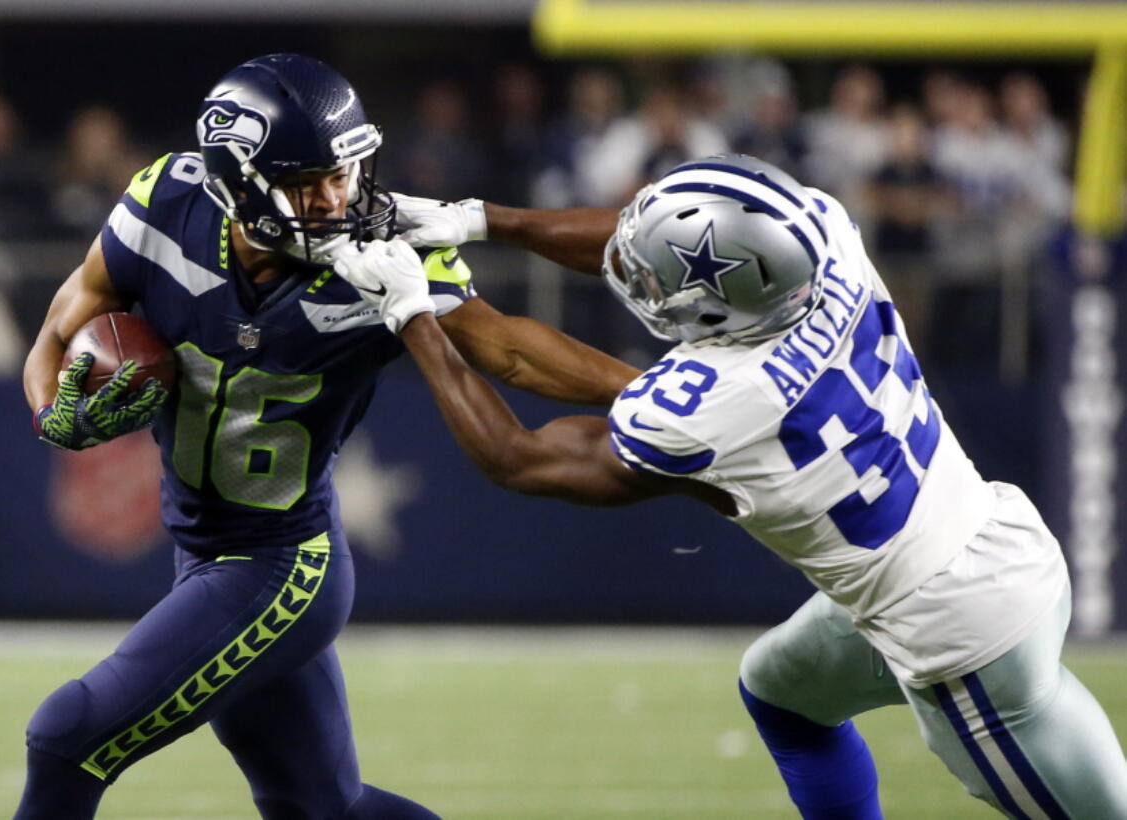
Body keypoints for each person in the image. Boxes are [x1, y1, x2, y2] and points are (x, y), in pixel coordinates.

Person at [341, 155, 1127, 819]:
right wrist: (477, 221)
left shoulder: (719, 407)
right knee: (783, 692)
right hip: (991, 532)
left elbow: (517, 455)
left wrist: (414, 314)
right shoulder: (824, 237)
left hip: (959, 630)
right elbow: (640, 245)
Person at [17, 53, 637, 819]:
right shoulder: (164, 204)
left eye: (342, 174)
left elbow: (510, 348)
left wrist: (644, 389)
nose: (337, 198)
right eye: (309, 184)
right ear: (238, 186)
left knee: (67, 734)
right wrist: (53, 413)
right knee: (319, 808)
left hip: (281, 564)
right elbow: (59, 324)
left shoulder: (380, 257)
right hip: (203, 554)